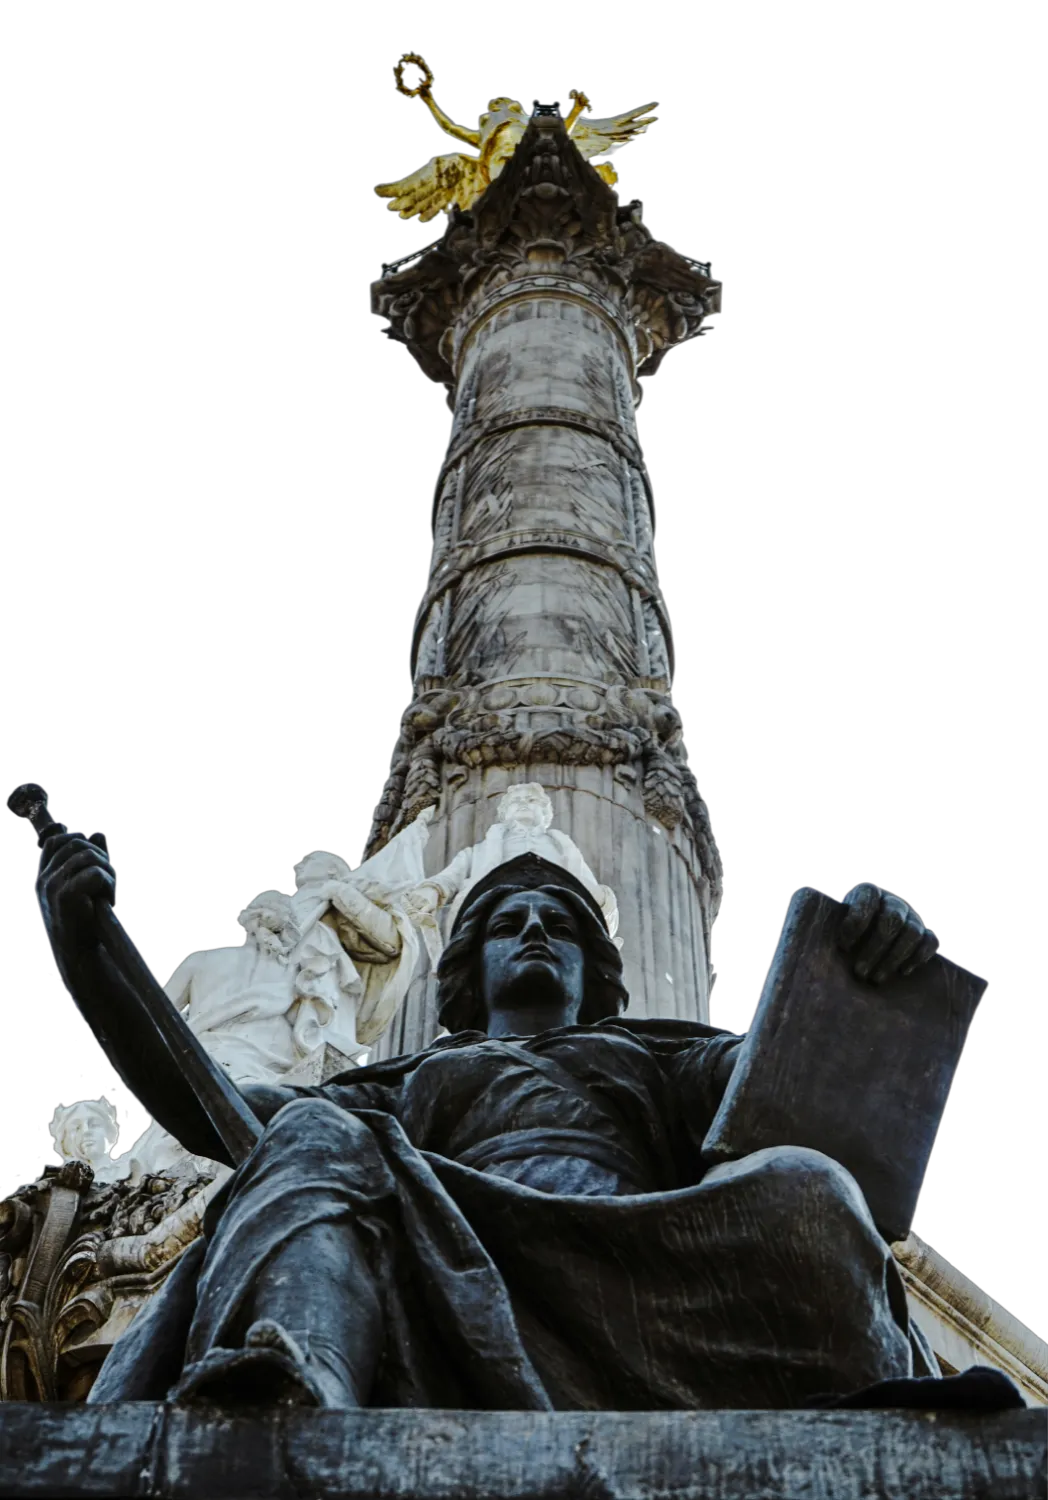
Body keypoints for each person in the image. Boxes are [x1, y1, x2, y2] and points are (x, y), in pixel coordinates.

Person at [32, 832, 1023, 1412]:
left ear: (597, 971)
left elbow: (806, 1102)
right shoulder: (420, 1076)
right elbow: (222, 1115)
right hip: (453, 1248)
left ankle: (858, 1402)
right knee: (311, 1137)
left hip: (645, 1263)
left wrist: (867, 950)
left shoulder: (655, 1054)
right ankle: (288, 1383)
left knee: (808, 1188)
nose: (536, 930)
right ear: (463, 979)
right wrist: (95, 959)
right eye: (508, 922)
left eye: (557, 920)